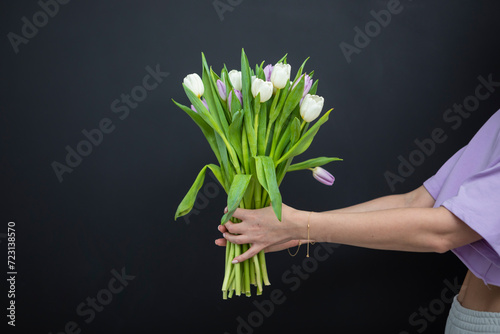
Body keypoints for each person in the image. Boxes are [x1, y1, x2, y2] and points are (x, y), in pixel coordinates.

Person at [215, 109, 500, 333]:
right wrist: (294, 233)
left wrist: (298, 224)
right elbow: (414, 202)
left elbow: (445, 232)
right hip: (466, 317)